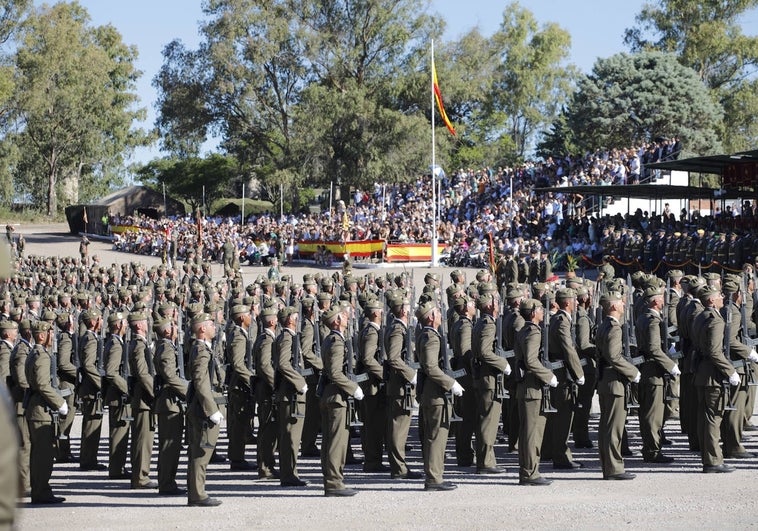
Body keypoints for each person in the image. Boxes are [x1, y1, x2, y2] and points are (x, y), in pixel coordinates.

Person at [416, 301, 463, 491]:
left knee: (433, 436)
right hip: (436, 394)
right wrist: (451, 383)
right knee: (436, 437)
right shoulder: (431, 337)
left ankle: (434, 475)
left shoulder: (426, 335)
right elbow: (430, 367)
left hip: (431, 392)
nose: (440, 315)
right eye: (437, 312)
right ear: (431, 316)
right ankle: (434, 478)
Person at [319, 304, 364, 496]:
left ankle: (332, 480)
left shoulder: (331, 339)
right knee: (337, 442)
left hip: (331, 394)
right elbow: (335, 373)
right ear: (337, 320)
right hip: (337, 397)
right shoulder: (337, 341)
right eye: (344, 315)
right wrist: (353, 388)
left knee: (331, 441)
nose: (347, 317)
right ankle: (334, 483)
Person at [596, 291, 640, 480]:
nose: (624, 304)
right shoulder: (614, 328)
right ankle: (614, 468)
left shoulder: (604, 325)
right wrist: (633, 372)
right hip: (615, 382)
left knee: (607, 427)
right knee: (614, 427)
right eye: (621, 302)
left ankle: (609, 466)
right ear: (613, 306)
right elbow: (613, 356)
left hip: (606, 381)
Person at [693, 286, 737, 473]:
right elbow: (714, 351)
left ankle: (709, 457)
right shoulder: (716, 321)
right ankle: (713, 461)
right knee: (713, 418)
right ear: (711, 301)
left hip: (702, 373)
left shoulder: (700, 316)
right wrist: (730, 371)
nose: (722, 297)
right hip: (713, 375)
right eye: (719, 296)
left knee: (705, 418)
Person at [515, 298, 556, 486]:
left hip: (526, 387)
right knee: (532, 432)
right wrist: (548, 375)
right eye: (540, 308)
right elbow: (531, 361)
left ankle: (529, 470)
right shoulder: (533, 332)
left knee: (528, 431)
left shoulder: (524, 330)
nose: (543, 311)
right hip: (532, 387)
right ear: (532, 313)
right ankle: (530, 473)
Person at [25, 320, 67, 504]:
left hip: (36, 409)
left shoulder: (34, 353)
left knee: (39, 455)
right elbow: (42, 384)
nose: (53, 336)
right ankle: (41, 492)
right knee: (43, 455)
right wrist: (60, 403)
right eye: (50, 332)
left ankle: (40, 490)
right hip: (41, 411)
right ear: (41, 335)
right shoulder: (41, 356)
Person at [636, 286, 678, 464]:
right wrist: (671, 366)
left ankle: (651, 448)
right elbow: (654, 348)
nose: (664, 300)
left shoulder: (644, 317)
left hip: (648, 370)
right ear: (654, 300)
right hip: (654, 372)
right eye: (661, 298)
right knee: (654, 415)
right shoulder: (652, 320)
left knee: (649, 413)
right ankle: (652, 451)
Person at [186, 313, 224, 507]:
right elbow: (201, 381)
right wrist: (212, 410)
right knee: (202, 451)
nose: (214, 327)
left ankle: (196, 492)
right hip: (202, 409)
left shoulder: (201, 348)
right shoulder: (201, 350)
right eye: (210, 324)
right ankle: (197, 494)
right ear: (202, 329)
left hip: (200, 406)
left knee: (199, 451)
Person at [545, 288, 585, 469]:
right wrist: (579, 373)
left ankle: (558, 453)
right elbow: (568, 349)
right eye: (574, 300)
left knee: (560, 417)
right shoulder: (562, 322)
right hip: (562, 374)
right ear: (567, 303)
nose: (577, 303)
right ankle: (561, 457)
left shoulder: (560, 319)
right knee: (563, 417)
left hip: (561, 372)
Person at [384, 295, 422, 480]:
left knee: (401, 428)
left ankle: (399, 466)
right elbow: (393, 357)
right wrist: (410, 374)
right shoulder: (398, 329)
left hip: (401, 386)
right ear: (404, 310)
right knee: (399, 429)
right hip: (400, 387)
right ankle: (399, 468)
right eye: (409, 307)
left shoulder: (399, 327)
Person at [153, 315, 188, 496]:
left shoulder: (165, 346)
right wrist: (188, 391)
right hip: (169, 403)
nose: (176, 328)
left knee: (170, 446)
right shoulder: (166, 348)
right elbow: (169, 375)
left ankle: (167, 481)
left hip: (171, 402)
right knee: (169, 447)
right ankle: (166, 483)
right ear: (167, 330)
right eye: (173, 325)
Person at [274, 306, 308, 487]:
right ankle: (288, 474)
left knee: (292, 437)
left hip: (290, 394)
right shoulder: (287, 337)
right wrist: (300, 382)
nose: (298, 318)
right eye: (296, 316)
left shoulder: (289, 337)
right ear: (289, 320)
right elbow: (283, 364)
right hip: (290, 395)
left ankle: (291, 472)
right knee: (290, 438)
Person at [356, 299, 388, 473]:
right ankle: (373, 461)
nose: (383, 314)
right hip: (372, 386)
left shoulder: (371, 330)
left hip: (372, 384)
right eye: (381, 311)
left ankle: (373, 459)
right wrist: (384, 374)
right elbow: (368, 358)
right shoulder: (372, 332)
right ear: (376, 313)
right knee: (373, 425)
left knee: (373, 424)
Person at [128, 311, 157, 489]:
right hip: (143, 398)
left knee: (145, 438)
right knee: (142, 439)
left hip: (144, 397)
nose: (148, 324)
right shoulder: (138, 345)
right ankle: (140, 477)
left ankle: (141, 474)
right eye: (145, 322)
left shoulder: (142, 343)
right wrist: (155, 392)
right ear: (139, 325)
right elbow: (141, 372)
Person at [225, 305, 255, 471]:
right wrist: (252, 379)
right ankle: (237, 458)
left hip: (240, 384)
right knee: (239, 423)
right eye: (248, 315)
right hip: (240, 386)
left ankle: (238, 457)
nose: (251, 317)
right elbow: (238, 363)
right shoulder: (238, 336)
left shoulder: (239, 333)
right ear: (242, 318)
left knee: (242, 422)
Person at [102, 311, 130, 480]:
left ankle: (117, 467)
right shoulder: (115, 344)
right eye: (124, 323)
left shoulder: (114, 342)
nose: (126, 326)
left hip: (116, 395)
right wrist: (127, 388)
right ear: (118, 326)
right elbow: (111, 372)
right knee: (119, 433)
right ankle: (116, 469)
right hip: (117, 395)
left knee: (120, 432)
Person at [253, 306, 279, 479]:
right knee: (268, 429)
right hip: (267, 390)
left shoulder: (266, 338)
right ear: (271, 321)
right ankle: (265, 466)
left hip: (266, 389)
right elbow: (264, 365)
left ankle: (266, 465)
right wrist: (275, 383)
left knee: (268, 428)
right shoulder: (267, 340)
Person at [78, 308, 106, 471]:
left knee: (92, 424)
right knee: (91, 426)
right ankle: (88, 461)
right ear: (94, 322)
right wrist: (101, 383)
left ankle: (89, 459)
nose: (102, 322)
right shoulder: (90, 339)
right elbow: (88, 365)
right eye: (100, 319)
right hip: (91, 389)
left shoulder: (89, 337)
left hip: (90, 388)